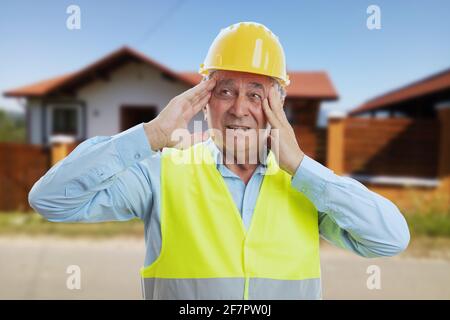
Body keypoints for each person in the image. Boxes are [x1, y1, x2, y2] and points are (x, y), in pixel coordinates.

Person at [29, 22, 410, 300]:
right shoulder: (163, 172)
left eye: (256, 95)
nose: (239, 109)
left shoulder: (308, 185)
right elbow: (50, 199)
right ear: (205, 98)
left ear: (278, 104)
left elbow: (391, 239)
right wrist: (150, 136)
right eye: (225, 90)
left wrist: (301, 167)